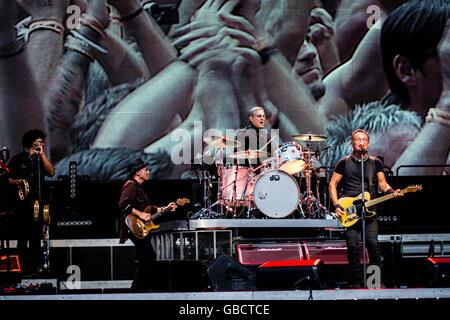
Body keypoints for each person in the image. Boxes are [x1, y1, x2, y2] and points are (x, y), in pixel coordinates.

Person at [328, 129, 402, 288]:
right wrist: (337, 204)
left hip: (370, 210)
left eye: (364, 140)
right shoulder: (343, 162)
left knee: (373, 245)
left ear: (368, 143)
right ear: (352, 143)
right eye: (358, 139)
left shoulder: (376, 162)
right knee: (353, 247)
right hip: (350, 210)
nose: (361, 142)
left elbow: (382, 184)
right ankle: (356, 281)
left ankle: (374, 280)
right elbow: (332, 184)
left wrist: (391, 191)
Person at [118, 157, 177, 292]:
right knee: (148, 257)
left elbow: (149, 209)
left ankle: (140, 289)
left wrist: (166, 208)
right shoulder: (131, 185)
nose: (148, 172)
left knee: (147, 258)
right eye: (146, 170)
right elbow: (123, 204)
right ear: (137, 173)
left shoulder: (139, 188)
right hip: (134, 228)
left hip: (141, 228)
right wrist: (140, 214)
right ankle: (138, 290)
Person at [7, 129, 55, 274]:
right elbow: (7, 179)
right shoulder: (17, 159)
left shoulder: (41, 159)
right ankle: (21, 267)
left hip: (37, 203)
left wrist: (42, 154)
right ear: (32, 142)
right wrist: (17, 182)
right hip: (22, 204)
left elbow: (51, 172)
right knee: (23, 237)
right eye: (40, 141)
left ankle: (35, 267)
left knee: (36, 237)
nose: (42, 143)